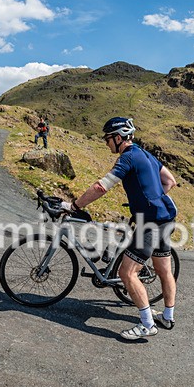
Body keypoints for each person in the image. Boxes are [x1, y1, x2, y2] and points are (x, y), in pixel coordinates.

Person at [61, 117, 178, 341]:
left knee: (127, 273)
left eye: (107, 138)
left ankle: (147, 325)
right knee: (164, 270)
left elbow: (101, 187)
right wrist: (151, 198)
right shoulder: (146, 154)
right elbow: (170, 181)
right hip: (166, 218)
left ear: (118, 137)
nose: (106, 143)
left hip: (150, 222)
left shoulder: (128, 157)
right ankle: (168, 317)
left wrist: (74, 206)